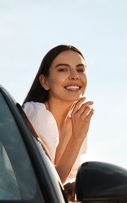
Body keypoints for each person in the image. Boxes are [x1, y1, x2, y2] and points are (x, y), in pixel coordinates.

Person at [22, 45, 94, 188]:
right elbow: (48, 185)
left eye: (80, 69)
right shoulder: (33, 114)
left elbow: (58, 183)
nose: (75, 75)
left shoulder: (77, 122)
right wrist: (77, 138)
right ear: (44, 81)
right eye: (63, 69)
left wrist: (66, 189)